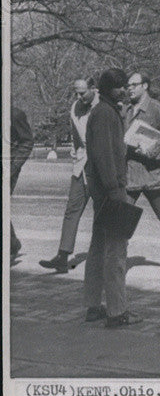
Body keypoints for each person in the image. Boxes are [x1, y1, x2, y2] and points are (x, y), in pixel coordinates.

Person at [83, 68, 140, 327]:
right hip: (111, 192)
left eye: (126, 86)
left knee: (97, 249)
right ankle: (117, 312)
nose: (125, 90)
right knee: (116, 253)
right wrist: (116, 192)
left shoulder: (104, 111)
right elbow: (105, 157)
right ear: (108, 89)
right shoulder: (106, 113)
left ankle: (93, 305)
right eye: (120, 87)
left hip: (101, 193)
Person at [124, 71, 160, 270]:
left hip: (153, 175)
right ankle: (118, 256)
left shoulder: (158, 109)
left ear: (145, 86)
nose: (129, 88)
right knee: (122, 215)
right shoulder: (125, 110)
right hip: (130, 174)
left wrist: (152, 150)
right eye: (128, 85)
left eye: (134, 84)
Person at [40, 77, 99, 272]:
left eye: (82, 93)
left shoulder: (104, 106)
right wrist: (76, 156)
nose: (78, 96)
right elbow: (75, 137)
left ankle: (110, 257)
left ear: (93, 89)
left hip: (101, 168)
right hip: (81, 166)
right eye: (76, 92)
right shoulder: (75, 107)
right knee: (72, 209)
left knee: (105, 213)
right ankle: (63, 256)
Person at [9, 106, 34, 261]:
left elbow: (27, 142)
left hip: (8, 167)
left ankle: (11, 246)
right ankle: (12, 244)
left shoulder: (16, 114)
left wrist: (13, 167)